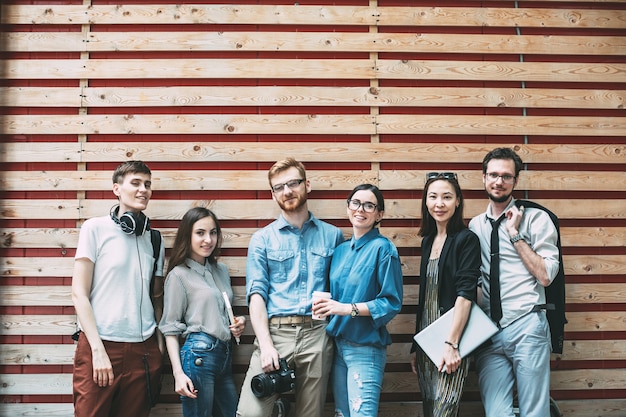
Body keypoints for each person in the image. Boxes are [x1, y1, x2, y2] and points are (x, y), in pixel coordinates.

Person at [236, 157, 345, 417]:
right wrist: (266, 344)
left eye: (293, 183)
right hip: (276, 334)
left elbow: (340, 291)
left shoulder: (333, 236)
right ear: (273, 194)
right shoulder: (262, 239)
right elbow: (256, 295)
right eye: (278, 187)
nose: (287, 191)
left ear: (307, 185)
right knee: (251, 413)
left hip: (317, 334)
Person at [469, 147, 560, 417]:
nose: (499, 181)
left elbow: (545, 275)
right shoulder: (475, 226)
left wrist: (515, 234)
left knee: (534, 412)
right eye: (493, 175)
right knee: (496, 413)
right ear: (484, 178)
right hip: (488, 332)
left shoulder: (537, 219)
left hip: (526, 325)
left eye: (506, 176)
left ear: (515, 181)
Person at [71, 160, 165, 417]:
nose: (143, 189)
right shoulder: (94, 228)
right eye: (135, 183)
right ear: (116, 189)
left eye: (147, 184)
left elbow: (156, 297)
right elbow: (79, 293)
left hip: (143, 350)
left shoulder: (155, 239)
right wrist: (97, 351)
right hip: (100, 345)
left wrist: (159, 344)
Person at [313, 184, 403, 417]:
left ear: (379, 214)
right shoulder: (340, 250)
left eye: (369, 205)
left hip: (365, 348)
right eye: (355, 203)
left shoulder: (384, 249)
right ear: (348, 207)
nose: (360, 209)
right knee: (342, 414)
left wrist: (346, 309)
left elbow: (390, 303)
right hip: (337, 347)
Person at [159, 207, 246, 417]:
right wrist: (178, 373)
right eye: (200, 233)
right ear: (187, 235)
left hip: (225, 356)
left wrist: (238, 322)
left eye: (213, 232)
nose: (208, 239)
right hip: (198, 356)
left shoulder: (221, 270)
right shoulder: (178, 276)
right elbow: (170, 327)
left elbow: (221, 311)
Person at [409, 172, 481, 416]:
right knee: (431, 408)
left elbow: (465, 294)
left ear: (458, 201)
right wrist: (415, 346)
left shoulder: (466, 239)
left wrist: (452, 344)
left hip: (451, 341)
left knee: (444, 409)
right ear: (426, 201)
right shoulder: (428, 241)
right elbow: (425, 297)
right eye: (433, 197)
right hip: (426, 342)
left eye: (447, 197)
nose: (439, 204)